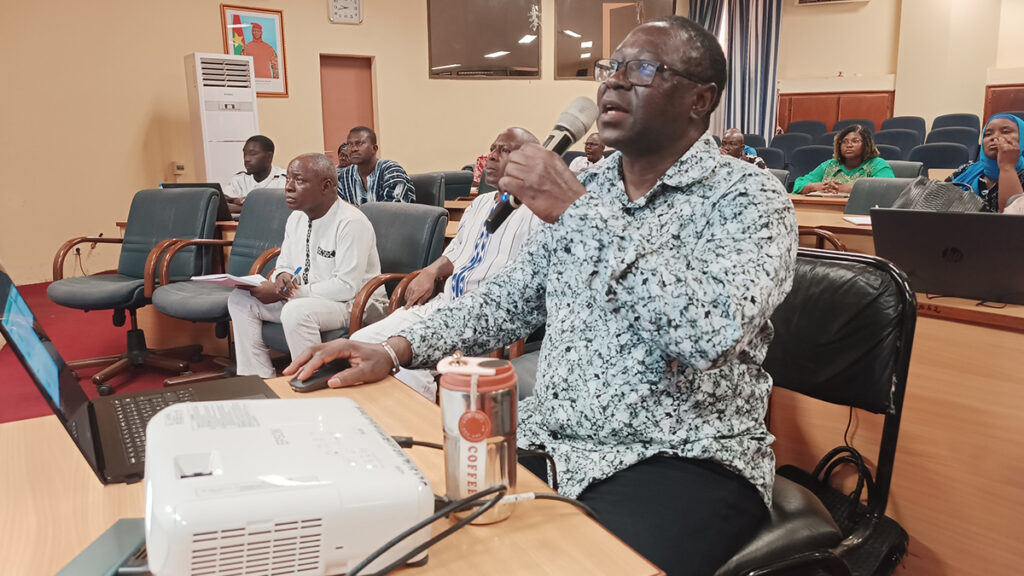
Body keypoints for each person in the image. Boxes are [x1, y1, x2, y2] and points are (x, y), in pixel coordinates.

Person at [286, 16, 797, 576]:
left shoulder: (747, 197)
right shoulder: (594, 188)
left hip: (680, 455)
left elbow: (708, 333)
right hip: (551, 434)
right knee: (411, 532)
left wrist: (578, 213)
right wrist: (395, 347)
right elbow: (505, 301)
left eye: (643, 69)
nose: (613, 81)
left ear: (700, 99)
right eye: (610, 67)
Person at [347, 127, 543, 400]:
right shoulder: (480, 203)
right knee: (360, 344)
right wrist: (430, 271)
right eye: (492, 148)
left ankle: (419, 422)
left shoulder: (538, 213)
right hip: (444, 303)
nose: (492, 156)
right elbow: (456, 251)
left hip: (483, 319)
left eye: (504, 150)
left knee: (408, 367)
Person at [227, 153, 387, 378]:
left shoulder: (351, 222)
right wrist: (282, 277)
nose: (288, 187)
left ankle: (308, 380)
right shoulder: (297, 218)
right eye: (288, 179)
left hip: (355, 304)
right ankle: (257, 376)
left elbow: (346, 287)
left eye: (299, 180)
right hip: (307, 297)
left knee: (296, 312)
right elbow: (285, 264)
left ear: (326, 185)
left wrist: (286, 293)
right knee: (241, 299)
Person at [947, 113, 1024, 213]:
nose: (994, 137)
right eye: (988, 134)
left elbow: (1013, 219)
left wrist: (1007, 167)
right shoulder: (966, 169)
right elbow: (938, 202)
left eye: (1005, 132)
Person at [793, 124, 893, 194]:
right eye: (844, 142)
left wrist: (844, 188)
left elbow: (887, 187)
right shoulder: (830, 165)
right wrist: (815, 187)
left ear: (866, 144)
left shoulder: (877, 164)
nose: (849, 145)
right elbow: (799, 184)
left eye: (855, 141)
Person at [336, 126, 415, 204]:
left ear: (374, 148)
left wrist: (352, 209)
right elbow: (336, 207)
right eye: (349, 144)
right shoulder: (343, 176)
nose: (353, 149)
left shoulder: (392, 171)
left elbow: (393, 208)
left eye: (359, 143)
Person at [225, 135, 287, 214]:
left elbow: (282, 208)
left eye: (253, 154)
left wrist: (240, 205)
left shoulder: (286, 179)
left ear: (269, 156)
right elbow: (226, 206)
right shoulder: (239, 179)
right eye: (244, 153)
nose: (246, 159)